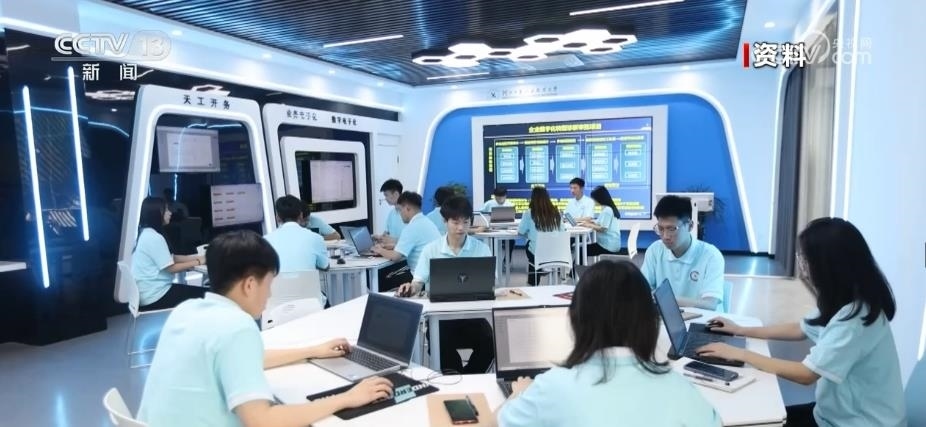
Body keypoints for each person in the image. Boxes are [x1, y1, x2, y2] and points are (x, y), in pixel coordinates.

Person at [138, 230, 393, 426]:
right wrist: (348, 398)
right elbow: (262, 420)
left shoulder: (187, 310)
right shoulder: (236, 327)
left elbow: (248, 358)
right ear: (250, 284)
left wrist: (312, 350)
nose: (270, 294)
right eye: (269, 284)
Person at [697, 218, 906, 427]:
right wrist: (740, 330)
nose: (802, 266)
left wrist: (740, 354)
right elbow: (800, 328)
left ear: (828, 267)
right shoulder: (844, 300)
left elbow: (806, 374)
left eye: (805, 259)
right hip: (831, 415)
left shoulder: (855, 319)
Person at [496, 260, 721, 426]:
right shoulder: (680, 389)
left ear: (575, 319)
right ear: (649, 321)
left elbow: (495, 423)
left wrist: (519, 394)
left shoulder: (550, 388)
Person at [396, 196, 495, 374]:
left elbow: (491, 283)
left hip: (473, 317)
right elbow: (418, 282)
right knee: (442, 350)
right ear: (445, 222)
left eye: (466, 222)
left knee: (492, 343)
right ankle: (456, 379)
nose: (461, 228)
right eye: (455, 222)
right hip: (440, 319)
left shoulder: (481, 249)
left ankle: (466, 378)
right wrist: (411, 288)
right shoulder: (431, 249)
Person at [641, 195, 723, 310]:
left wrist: (667, 300)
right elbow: (642, 291)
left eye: (672, 229)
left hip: (702, 319)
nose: (665, 236)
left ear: (690, 226)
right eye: (661, 229)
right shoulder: (655, 250)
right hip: (666, 317)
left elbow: (710, 304)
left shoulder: (711, 255)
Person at [131, 196, 206, 310]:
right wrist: (199, 261)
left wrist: (197, 257)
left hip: (149, 292)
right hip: (156, 296)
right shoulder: (154, 238)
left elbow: (171, 258)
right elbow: (171, 268)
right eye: (166, 210)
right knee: (207, 295)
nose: (170, 213)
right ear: (156, 214)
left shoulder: (145, 233)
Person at [372, 191, 441, 273]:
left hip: (424, 278)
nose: (400, 214)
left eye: (400, 210)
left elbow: (395, 257)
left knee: (386, 277)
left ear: (407, 208)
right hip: (437, 273)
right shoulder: (427, 221)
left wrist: (379, 250)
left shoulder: (411, 228)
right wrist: (395, 246)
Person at [263, 195, 329, 272]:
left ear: (277, 217)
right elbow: (325, 266)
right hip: (308, 280)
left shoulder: (265, 241)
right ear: (301, 215)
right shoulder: (316, 238)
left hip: (278, 280)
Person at [518, 187, 564, 286]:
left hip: (537, 253)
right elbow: (562, 232)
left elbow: (521, 232)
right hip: (555, 253)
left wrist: (530, 234)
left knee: (530, 246)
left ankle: (533, 283)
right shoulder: (556, 212)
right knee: (535, 248)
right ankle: (543, 268)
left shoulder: (529, 213)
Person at [579, 185, 622, 256]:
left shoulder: (607, 210)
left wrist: (588, 225)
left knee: (580, 250)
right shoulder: (608, 208)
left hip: (608, 246)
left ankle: (579, 264)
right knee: (582, 249)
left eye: (594, 199)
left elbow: (603, 229)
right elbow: (601, 223)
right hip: (611, 244)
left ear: (599, 198)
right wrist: (592, 222)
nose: (593, 201)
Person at [372, 179, 405, 246]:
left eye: (386, 195)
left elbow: (411, 241)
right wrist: (380, 238)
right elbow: (386, 233)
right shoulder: (392, 213)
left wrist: (394, 240)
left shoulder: (408, 215)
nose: (385, 199)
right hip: (392, 249)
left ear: (396, 194)